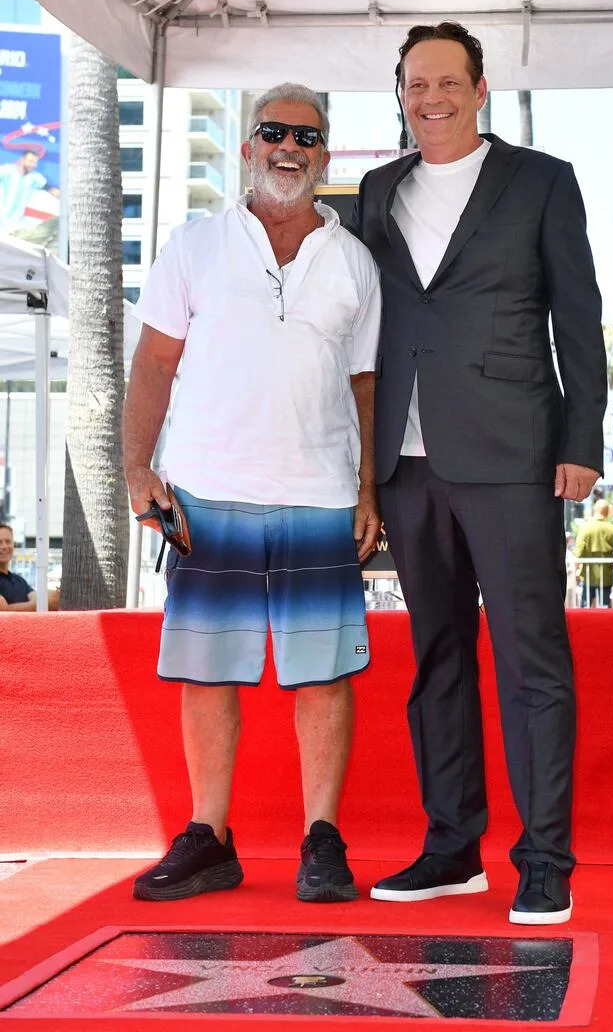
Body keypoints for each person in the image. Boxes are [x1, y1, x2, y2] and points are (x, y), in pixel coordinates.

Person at [348, 22, 607, 924]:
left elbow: (578, 318)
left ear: (480, 87)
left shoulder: (542, 181)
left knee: (533, 662)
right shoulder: (377, 192)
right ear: (402, 93)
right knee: (437, 659)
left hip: (513, 455)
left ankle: (545, 861)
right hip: (407, 465)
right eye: (417, 84)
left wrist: (583, 442)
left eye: (448, 82)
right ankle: (452, 847)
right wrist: (362, 469)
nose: (433, 98)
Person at [123, 83, 381, 904]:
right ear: (246, 146)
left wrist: (369, 486)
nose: (288, 146)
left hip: (320, 491)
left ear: (325, 154)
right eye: (272, 131)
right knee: (208, 672)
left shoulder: (353, 260)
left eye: (306, 135)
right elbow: (155, 362)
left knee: (323, 676)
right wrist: (137, 467)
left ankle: (322, 839)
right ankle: (210, 838)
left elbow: (367, 382)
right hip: (207, 490)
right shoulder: (193, 245)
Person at [0, 523, 60, 611]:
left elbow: (37, 599)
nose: (4, 546)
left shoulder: (19, 580)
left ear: (13, 545)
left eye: (8, 541)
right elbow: (4, 610)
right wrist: (48, 602)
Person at [0, 150, 58, 233]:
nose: (33, 165)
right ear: (22, 159)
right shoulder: (7, 170)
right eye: (30, 161)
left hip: (14, 223)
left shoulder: (35, 177)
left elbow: (50, 189)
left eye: (35, 162)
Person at [575, 499, 613, 607]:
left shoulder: (585, 528)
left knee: (585, 606)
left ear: (594, 510)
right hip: (606, 575)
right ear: (607, 512)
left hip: (588, 574)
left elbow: (578, 552)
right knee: (604, 607)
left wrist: (576, 571)